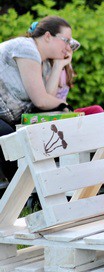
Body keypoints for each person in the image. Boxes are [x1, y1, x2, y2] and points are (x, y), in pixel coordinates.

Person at [0, 16, 77, 183]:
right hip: (3, 119)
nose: (68, 47)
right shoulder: (26, 48)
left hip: (6, 117)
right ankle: (27, 196)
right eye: (66, 40)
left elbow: (45, 100)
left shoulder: (45, 63)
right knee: (9, 139)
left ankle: (35, 194)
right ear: (48, 36)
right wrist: (65, 106)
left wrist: (58, 65)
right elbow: (41, 101)